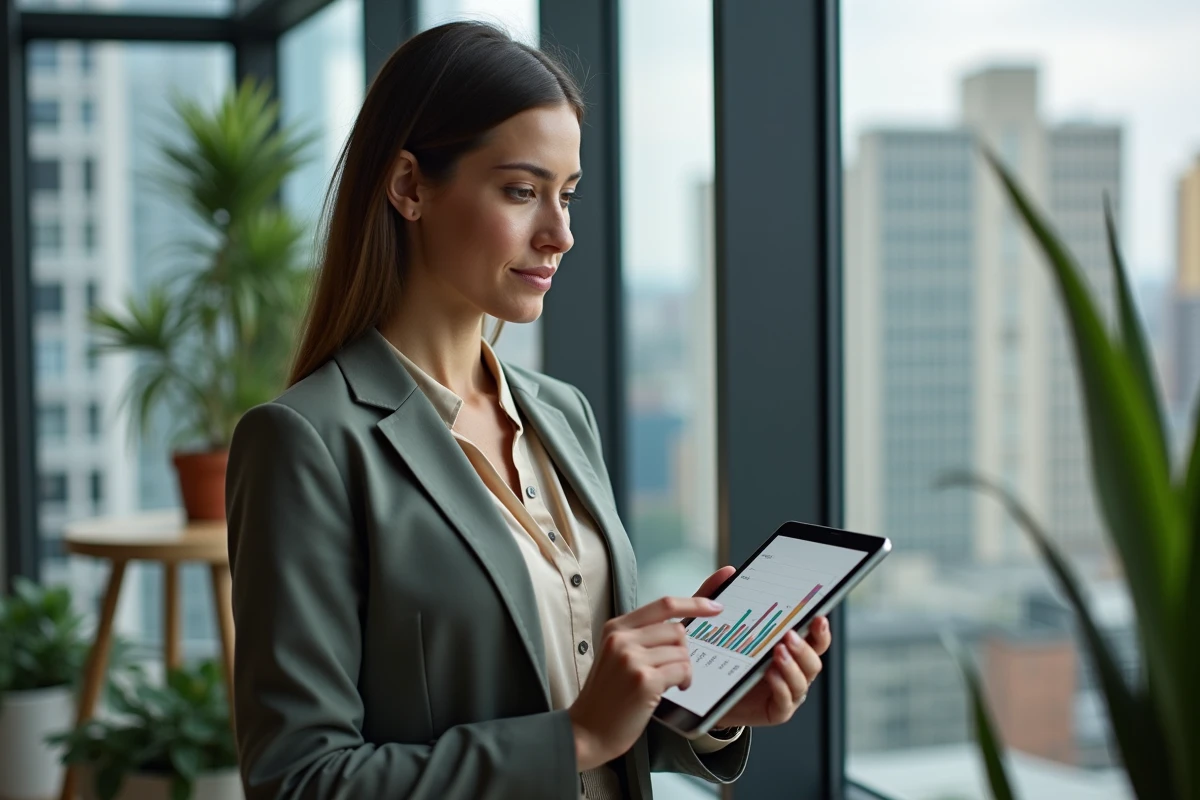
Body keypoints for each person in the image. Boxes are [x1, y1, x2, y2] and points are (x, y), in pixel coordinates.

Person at [225, 20, 831, 800]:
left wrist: (703, 708)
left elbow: (581, 704)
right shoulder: (305, 442)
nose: (561, 234)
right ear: (409, 186)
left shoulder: (563, 414)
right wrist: (574, 736)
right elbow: (298, 780)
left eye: (567, 195)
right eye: (521, 191)